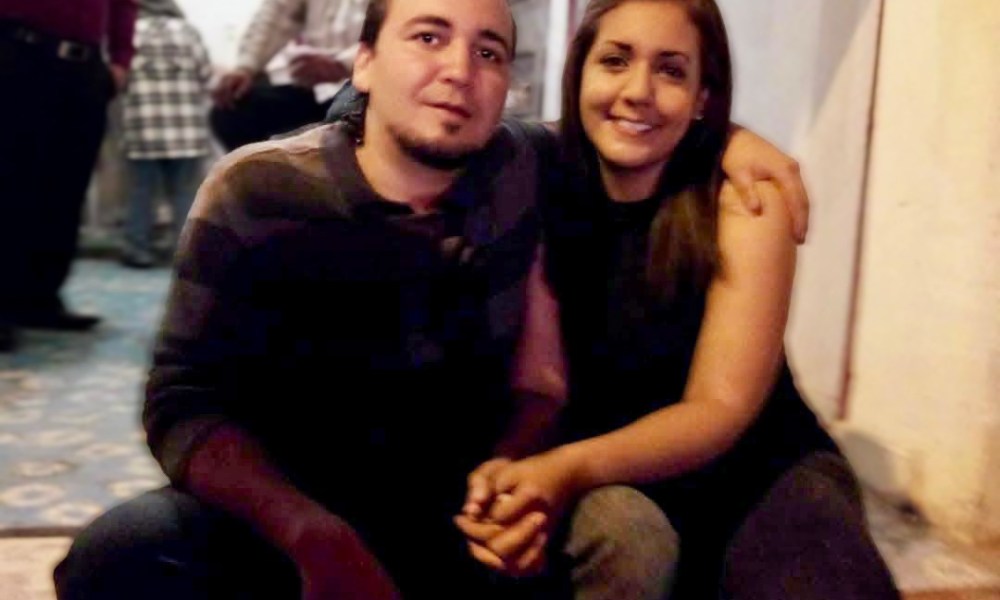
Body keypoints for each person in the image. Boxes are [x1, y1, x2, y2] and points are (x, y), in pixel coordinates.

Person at [53, 0, 811, 598]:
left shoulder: (515, 162)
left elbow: (632, 124)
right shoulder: (256, 190)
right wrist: (310, 533)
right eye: (428, 37)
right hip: (294, 503)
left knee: (627, 531)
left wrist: (729, 138)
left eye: (489, 52)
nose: (459, 71)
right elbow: (181, 400)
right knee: (119, 554)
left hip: (454, 501)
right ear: (364, 62)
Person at [455, 1, 901, 599]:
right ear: (579, 72)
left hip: (754, 471)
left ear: (702, 95)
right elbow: (396, 124)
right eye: (615, 61)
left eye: (671, 70)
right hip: (608, 469)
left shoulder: (745, 199)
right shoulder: (537, 174)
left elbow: (719, 407)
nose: (638, 91)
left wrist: (568, 468)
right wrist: (532, 463)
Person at [0, 0, 137, 350]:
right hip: (17, 49)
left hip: (84, 68)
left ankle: (39, 298)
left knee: (65, 188)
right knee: (11, 183)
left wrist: (121, 60)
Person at [119, 0, 213, 269]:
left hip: (143, 129)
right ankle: (185, 251)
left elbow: (119, 76)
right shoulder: (188, 32)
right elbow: (206, 73)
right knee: (184, 193)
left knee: (142, 191)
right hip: (186, 130)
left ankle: (138, 249)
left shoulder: (130, 32)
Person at [210, 0, 366, 151]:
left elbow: (381, 40)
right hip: (316, 89)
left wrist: (343, 64)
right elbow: (276, 14)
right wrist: (245, 68)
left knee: (342, 121)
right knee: (233, 111)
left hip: (365, 87)